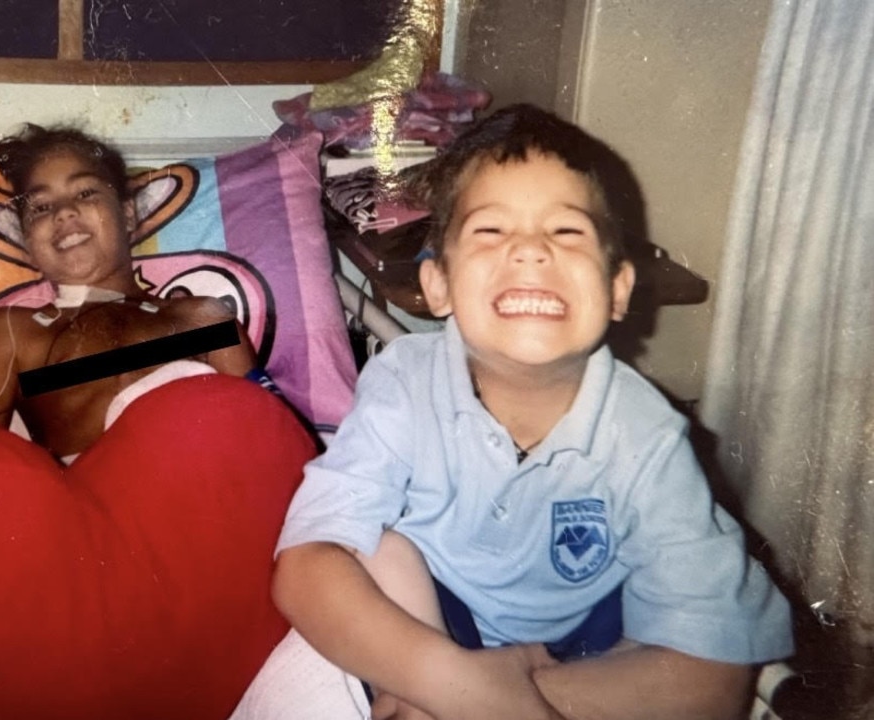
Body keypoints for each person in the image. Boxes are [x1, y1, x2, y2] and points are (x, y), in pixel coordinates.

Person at [271, 104, 794, 720]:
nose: (530, 252)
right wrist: (439, 677)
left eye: (567, 232)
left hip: (583, 651)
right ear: (437, 285)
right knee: (371, 549)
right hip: (431, 624)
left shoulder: (646, 436)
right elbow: (303, 566)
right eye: (491, 232)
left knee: (714, 645)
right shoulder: (402, 382)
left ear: (618, 289)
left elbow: (711, 678)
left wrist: (495, 702)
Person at [0, 124, 261, 460]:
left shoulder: (201, 319)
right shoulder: (17, 333)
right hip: (88, 501)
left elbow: (266, 432)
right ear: (27, 244)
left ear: (128, 214)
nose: (64, 212)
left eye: (85, 193)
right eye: (41, 207)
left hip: (206, 486)